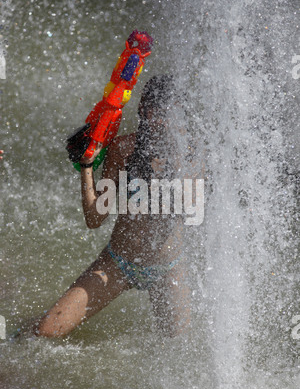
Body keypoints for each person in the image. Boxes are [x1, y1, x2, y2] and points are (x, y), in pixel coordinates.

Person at [33, 75, 191, 338]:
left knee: (178, 348)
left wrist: (173, 169)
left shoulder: (189, 155)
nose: (160, 121)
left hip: (168, 268)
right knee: (46, 331)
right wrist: (86, 167)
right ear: (142, 110)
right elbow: (95, 218)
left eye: (168, 114)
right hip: (119, 263)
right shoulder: (123, 150)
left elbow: (191, 214)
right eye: (153, 112)